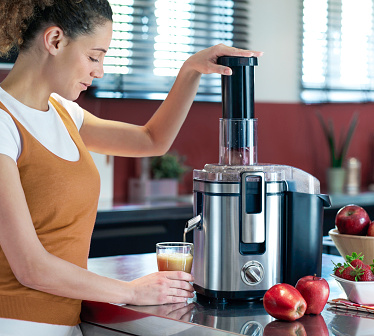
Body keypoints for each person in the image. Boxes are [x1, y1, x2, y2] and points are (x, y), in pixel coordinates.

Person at [0, 1, 263, 335]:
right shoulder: (3, 122)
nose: (100, 71)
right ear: (54, 41)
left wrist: (191, 70)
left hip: (64, 324)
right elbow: (30, 268)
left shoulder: (63, 113)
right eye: (94, 56)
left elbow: (151, 140)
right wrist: (132, 291)